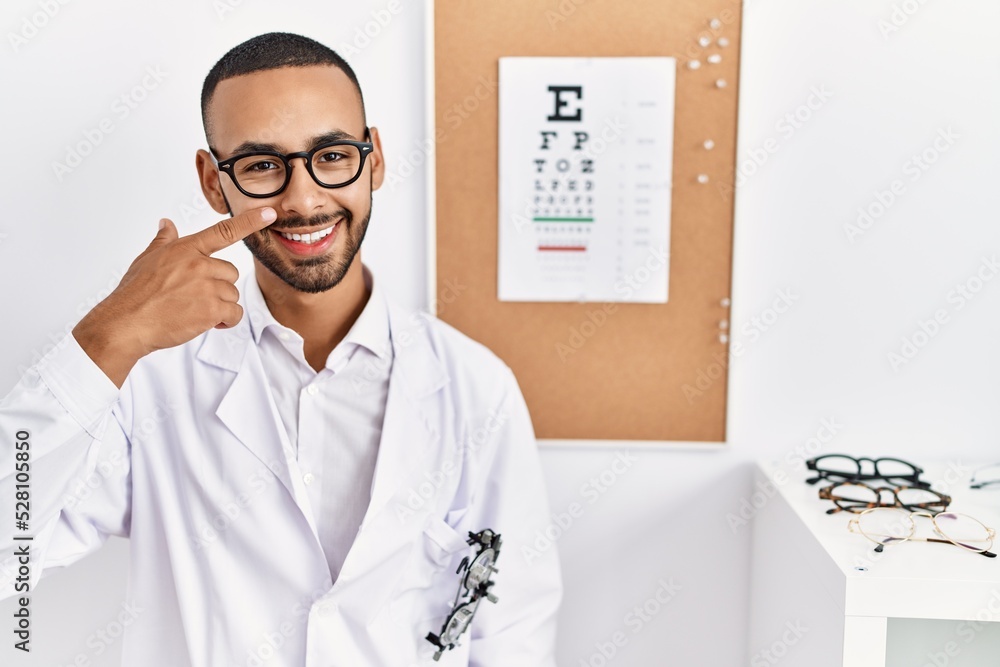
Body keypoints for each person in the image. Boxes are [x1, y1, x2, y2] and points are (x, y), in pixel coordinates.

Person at [0, 32, 561, 666]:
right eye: (263, 165)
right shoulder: (147, 380)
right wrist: (106, 338)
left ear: (373, 158)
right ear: (215, 184)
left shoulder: (472, 385)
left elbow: (511, 625)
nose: (302, 199)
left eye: (331, 155)